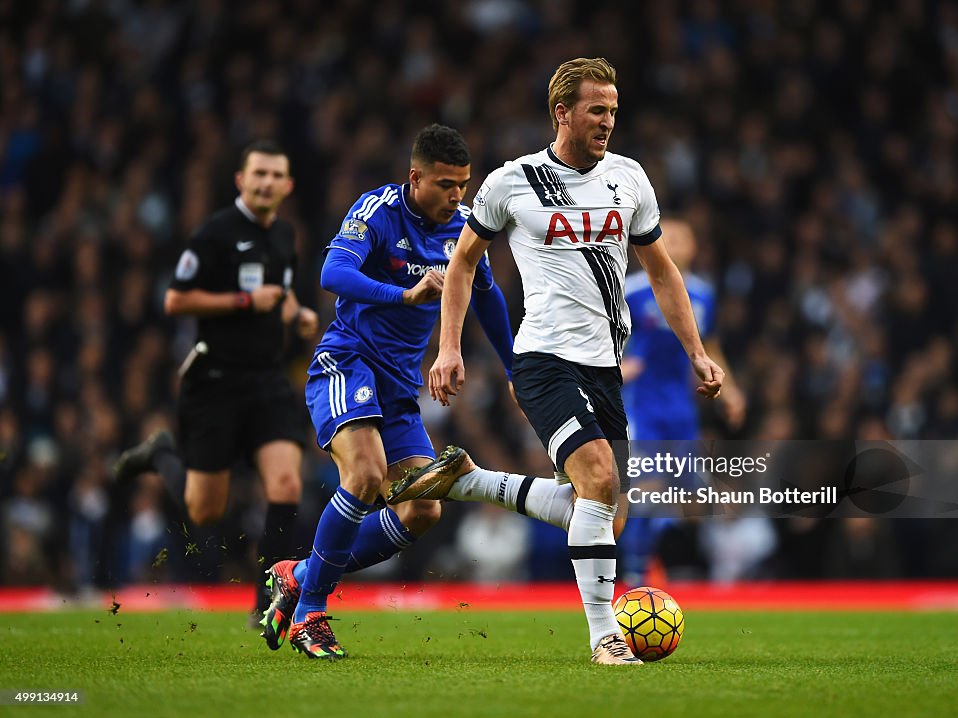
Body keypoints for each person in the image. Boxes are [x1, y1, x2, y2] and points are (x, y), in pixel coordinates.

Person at [390, 58, 724, 666]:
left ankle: (469, 480)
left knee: (601, 510)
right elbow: (464, 262)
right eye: (597, 111)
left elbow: (661, 271)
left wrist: (696, 352)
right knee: (599, 480)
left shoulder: (630, 180)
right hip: (542, 360)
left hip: (605, 365)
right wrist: (448, 348)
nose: (607, 123)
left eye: (614, 112)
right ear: (561, 113)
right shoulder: (511, 182)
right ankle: (605, 638)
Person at [259, 124, 524, 659]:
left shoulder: (463, 231)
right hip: (348, 363)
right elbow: (333, 272)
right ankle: (312, 613)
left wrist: (518, 370)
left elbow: (487, 296)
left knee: (424, 511)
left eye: (464, 185)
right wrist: (402, 294)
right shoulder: (377, 211)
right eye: (447, 185)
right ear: (415, 177)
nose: (458, 197)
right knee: (365, 474)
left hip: (398, 388)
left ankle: (301, 574)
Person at [113, 140, 319, 622]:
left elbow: (280, 292)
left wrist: (298, 313)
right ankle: (163, 453)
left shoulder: (285, 235)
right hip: (215, 383)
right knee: (205, 510)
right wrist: (243, 303)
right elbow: (175, 301)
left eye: (276, 175)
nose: (266, 182)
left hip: (266, 380)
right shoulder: (214, 234)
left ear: (287, 186)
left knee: (286, 482)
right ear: (241, 181)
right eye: (259, 174)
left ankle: (268, 598)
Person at [617, 218, 747, 583]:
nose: (672, 243)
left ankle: (674, 568)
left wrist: (731, 391)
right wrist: (615, 367)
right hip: (640, 405)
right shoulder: (631, 290)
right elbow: (603, 333)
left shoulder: (703, 294)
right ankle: (632, 574)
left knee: (683, 494)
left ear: (693, 247)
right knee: (648, 488)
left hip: (682, 408)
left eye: (681, 237)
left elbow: (711, 346)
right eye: (666, 237)